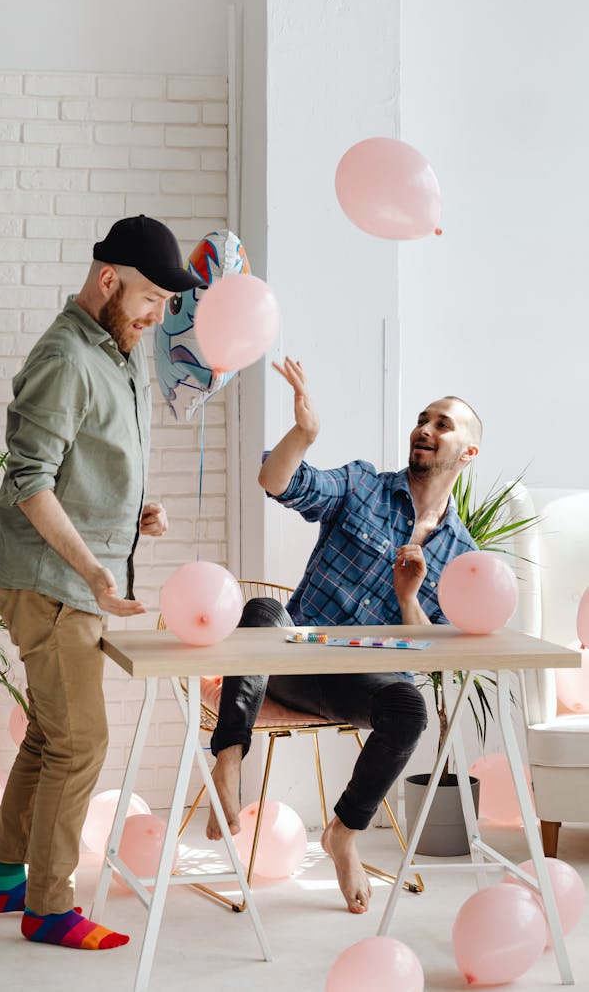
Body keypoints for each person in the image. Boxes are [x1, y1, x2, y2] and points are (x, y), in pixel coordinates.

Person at [0, 215, 203, 951]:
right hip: (52, 582)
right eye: (150, 297)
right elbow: (31, 482)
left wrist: (135, 512)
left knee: (51, 732)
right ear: (108, 279)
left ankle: (7, 874)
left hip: (76, 577)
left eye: (168, 302)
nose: (158, 315)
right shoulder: (66, 356)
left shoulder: (121, 351)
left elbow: (85, 465)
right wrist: (99, 568)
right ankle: (48, 907)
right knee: (82, 742)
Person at [207, 356, 481, 915]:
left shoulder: (462, 557)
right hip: (294, 656)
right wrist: (305, 434)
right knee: (262, 608)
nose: (425, 428)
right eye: (422, 418)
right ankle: (231, 757)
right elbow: (277, 482)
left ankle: (343, 834)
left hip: (361, 680)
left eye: (443, 424)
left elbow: (434, 657)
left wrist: (408, 597)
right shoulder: (361, 484)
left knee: (410, 708)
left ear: (467, 453)